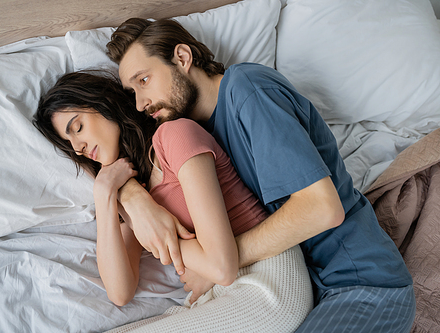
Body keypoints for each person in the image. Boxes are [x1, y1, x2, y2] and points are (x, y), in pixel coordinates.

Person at [105, 17, 416, 332]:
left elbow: (322, 208)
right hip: (302, 294)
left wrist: (220, 262)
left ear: (182, 58)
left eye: (143, 80)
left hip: (360, 283)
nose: (141, 103)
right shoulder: (197, 135)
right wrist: (131, 195)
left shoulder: (248, 89)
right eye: (132, 92)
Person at [33, 71, 313, 332]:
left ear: (105, 104)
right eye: (69, 142)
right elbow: (120, 292)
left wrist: (149, 225)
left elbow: (221, 268)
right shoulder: (130, 191)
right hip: (217, 291)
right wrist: (105, 194)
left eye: (78, 127)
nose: (78, 147)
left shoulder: (174, 135)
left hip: (270, 279)